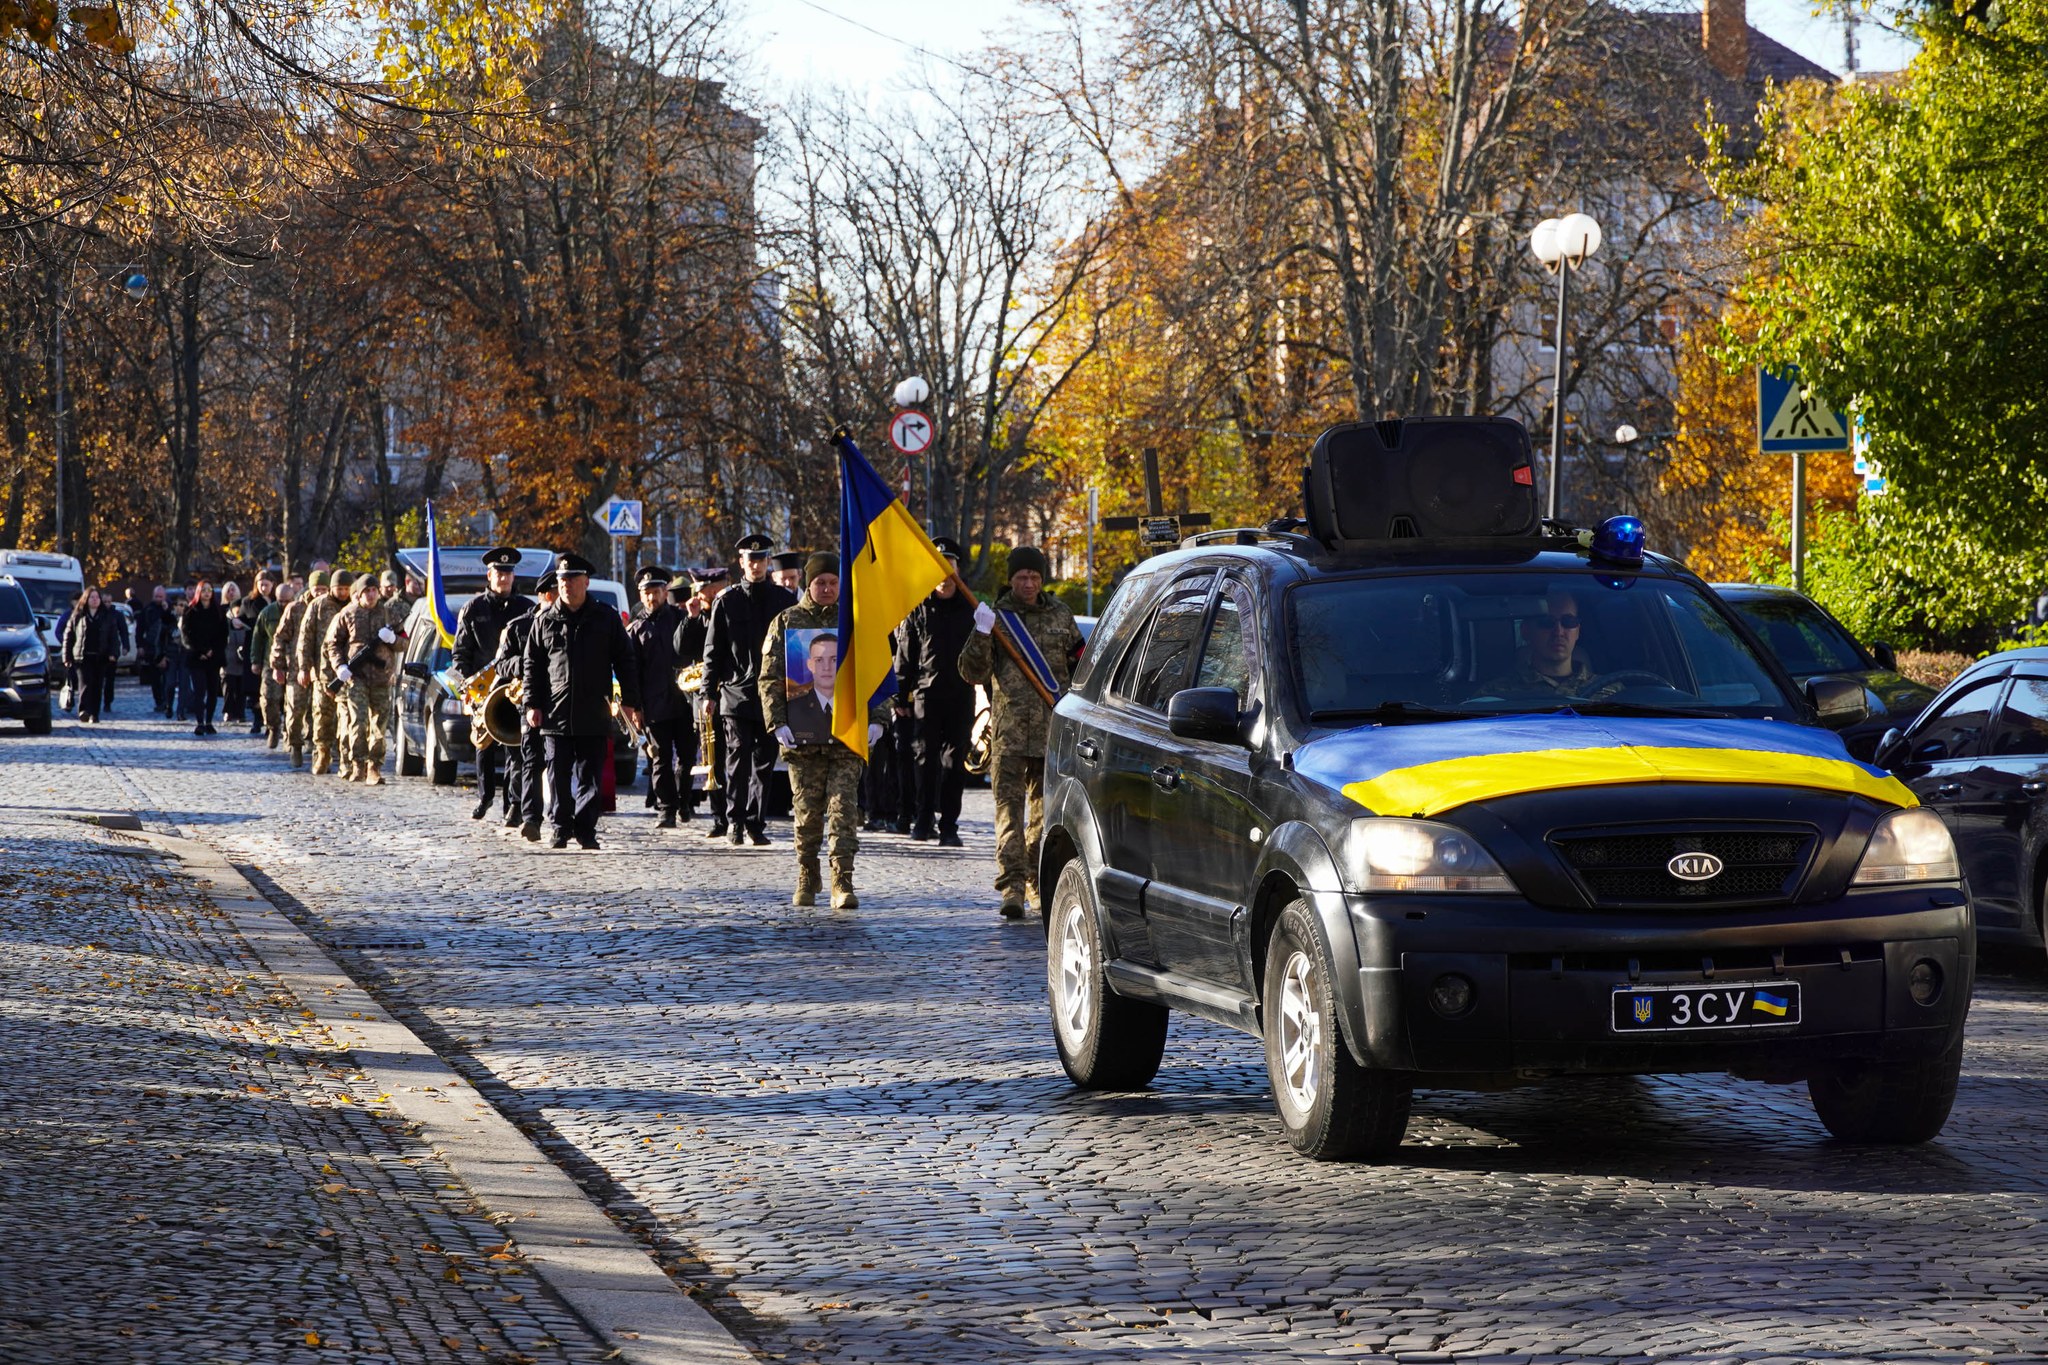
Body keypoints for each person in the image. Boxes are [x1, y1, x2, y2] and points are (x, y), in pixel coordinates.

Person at [959, 545, 1082, 918]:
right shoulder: (997, 619)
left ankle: (1035, 882)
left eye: (1033, 576)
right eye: (1021, 577)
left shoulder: (1061, 616)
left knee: (1044, 819)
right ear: (1010, 580)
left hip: (1050, 735)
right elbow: (971, 672)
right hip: (1008, 735)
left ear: (1042, 578)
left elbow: (1082, 668)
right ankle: (1010, 886)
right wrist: (981, 633)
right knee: (1007, 815)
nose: (1028, 583)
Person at [760, 552, 888, 909]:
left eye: (834, 582)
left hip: (846, 738)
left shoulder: (856, 622)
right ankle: (807, 873)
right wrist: (778, 722)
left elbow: (875, 674)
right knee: (806, 814)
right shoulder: (787, 621)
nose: (828, 588)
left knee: (844, 810)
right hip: (803, 742)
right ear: (808, 582)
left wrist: (879, 717)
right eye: (821, 582)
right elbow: (770, 677)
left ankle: (842, 880)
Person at [523, 553, 642, 850]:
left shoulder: (606, 617)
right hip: (555, 712)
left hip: (594, 711)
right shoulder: (545, 620)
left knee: (590, 775)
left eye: (572, 580)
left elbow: (626, 661)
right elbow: (532, 666)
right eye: (562, 580)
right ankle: (561, 828)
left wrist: (630, 701)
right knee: (557, 775)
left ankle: (586, 829)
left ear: (585, 582)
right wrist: (532, 704)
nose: (566, 585)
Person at [702, 534, 796, 846]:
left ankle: (756, 823)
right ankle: (735, 822)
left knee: (765, 762)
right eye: (750, 560)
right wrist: (708, 694)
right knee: (737, 759)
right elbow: (713, 652)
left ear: (768, 563)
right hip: (736, 694)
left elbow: (795, 650)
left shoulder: (784, 602)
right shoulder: (727, 601)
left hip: (772, 695)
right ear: (741, 563)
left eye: (760, 560)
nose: (755, 565)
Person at [897, 537, 977, 846]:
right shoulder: (919, 607)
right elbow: (906, 653)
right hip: (925, 695)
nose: (944, 575)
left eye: (950, 566)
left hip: (960, 694)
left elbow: (982, 654)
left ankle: (949, 825)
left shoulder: (971, 607)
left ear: (957, 569)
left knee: (954, 764)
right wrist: (900, 695)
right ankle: (923, 818)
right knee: (924, 760)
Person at [452, 547, 533, 823]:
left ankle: (513, 805)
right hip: (483, 689)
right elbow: (460, 652)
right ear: (490, 575)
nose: (504, 578)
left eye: (508, 573)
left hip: (513, 689)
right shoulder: (474, 609)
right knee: (484, 745)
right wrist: (466, 684)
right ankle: (485, 796)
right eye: (499, 572)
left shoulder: (525, 608)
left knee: (515, 749)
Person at [626, 565, 690, 828]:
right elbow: (631, 673)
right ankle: (666, 809)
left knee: (687, 757)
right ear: (641, 596)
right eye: (647, 593)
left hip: (685, 703)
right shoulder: (636, 629)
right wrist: (636, 707)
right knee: (660, 759)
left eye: (656, 592)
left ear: (666, 592)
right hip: (654, 705)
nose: (652, 598)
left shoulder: (680, 618)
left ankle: (685, 801)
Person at [498, 569, 556, 841]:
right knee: (530, 761)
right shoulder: (519, 625)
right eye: (555, 593)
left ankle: (558, 816)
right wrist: (524, 663)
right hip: (529, 701)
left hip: (560, 702)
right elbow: (501, 663)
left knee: (558, 763)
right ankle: (531, 817)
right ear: (545, 595)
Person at [326, 575, 400, 783]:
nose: (371, 594)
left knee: (380, 724)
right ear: (359, 593)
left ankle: (374, 767)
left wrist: (393, 639)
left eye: (374, 590)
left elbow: (404, 642)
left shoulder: (388, 613)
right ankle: (357, 764)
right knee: (358, 722)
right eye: (366, 591)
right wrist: (339, 666)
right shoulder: (347, 614)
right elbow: (332, 644)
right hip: (355, 678)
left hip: (381, 678)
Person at [673, 565, 728, 835]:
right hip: (702, 699)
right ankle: (719, 818)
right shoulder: (698, 618)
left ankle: (739, 813)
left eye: (707, 590)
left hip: (728, 694)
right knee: (710, 758)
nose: (703, 595)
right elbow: (680, 650)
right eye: (701, 591)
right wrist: (691, 617)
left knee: (735, 758)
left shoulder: (729, 611)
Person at [1479, 590, 1597, 696]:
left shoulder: (1607, 691)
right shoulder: (1495, 694)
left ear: (1578, 631)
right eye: (1546, 622)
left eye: (1568, 622)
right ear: (1525, 631)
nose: (1559, 632)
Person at [297, 571, 353, 773]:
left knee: (347, 719)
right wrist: (304, 667)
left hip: (349, 672)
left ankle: (346, 759)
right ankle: (322, 754)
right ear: (332, 587)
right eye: (340, 589)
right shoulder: (318, 605)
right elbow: (305, 638)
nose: (344, 593)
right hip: (323, 672)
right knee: (322, 716)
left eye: (347, 589)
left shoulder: (354, 607)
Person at [273, 570, 324, 768]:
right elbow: (280, 638)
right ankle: (295, 745)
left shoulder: (330, 608)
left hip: (320, 669)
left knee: (319, 711)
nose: (320, 593)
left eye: (323, 589)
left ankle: (315, 745)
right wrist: (278, 665)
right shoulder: (295, 609)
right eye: (316, 588)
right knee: (295, 710)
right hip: (296, 669)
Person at [62, 587, 122, 725]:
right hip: (82, 657)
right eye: (92, 597)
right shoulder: (78, 615)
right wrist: (66, 657)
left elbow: (114, 636)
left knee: (97, 686)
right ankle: (84, 710)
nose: (95, 600)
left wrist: (114, 653)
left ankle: (94, 714)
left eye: (97, 597)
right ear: (86, 599)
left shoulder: (107, 616)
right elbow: (68, 636)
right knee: (84, 684)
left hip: (101, 657)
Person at [181, 579, 230, 736]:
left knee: (212, 691)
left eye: (210, 590)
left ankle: (209, 721)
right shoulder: (190, 611)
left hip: (214, 657)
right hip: (197, 657)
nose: (207, 593)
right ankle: (200, 722)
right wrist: (200, 651)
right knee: (199, 691)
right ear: (198, 592)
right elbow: (186, 636)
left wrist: (212, 651)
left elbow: (223, 635)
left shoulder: (218, 611)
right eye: (204, 590)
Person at [253, 581, 295, 749]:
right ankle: (273, 728)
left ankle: (290, 733)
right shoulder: (267, 613)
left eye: (287, 601)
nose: (283, 604)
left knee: (293, 702)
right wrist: (255, 660)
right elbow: (258, 637)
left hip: (294, 662)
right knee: (269, 698)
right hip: (271, 662)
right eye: (280, 600)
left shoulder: (299, 611)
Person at [220, 581, 251, 725]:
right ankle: (228, 711)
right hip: (228, 656)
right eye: (228, 590)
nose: (231, 593)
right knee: (228, 686)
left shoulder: (245, 617)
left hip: (241, 657)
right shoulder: (223, 614)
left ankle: (240, 712)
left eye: (234, 590)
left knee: (241, 687)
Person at [139, 585, 171, 714]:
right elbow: (140, 629)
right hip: (151, 648)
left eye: (161, 597)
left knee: (168, 678)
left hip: (167, 648)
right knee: (155, 679)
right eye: (156, 596)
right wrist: (140, 645)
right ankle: (159, 701)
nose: (158, 599)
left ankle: (166, 701)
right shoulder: (148, 610)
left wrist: (167, 610)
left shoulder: (169, 608)